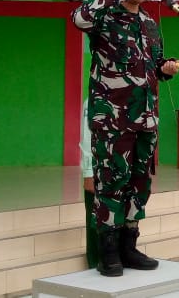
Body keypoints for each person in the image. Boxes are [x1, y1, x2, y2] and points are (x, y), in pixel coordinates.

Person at [72, 0, 179, 276]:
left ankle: (129, 246)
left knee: (139, 183)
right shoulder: (104, 17)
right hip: (112, 119)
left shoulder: (149, 23)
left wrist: (166, 68)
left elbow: (154, 65)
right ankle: (108, 251)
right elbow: (78, 19)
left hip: (146, 118)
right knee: (112, 183)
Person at [80, 100, 99, 268]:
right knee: (95, 220)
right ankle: (94, 263)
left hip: (122, 171)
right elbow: (87, 136)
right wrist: (88, 172)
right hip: (98, 171)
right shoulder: (94, 99)